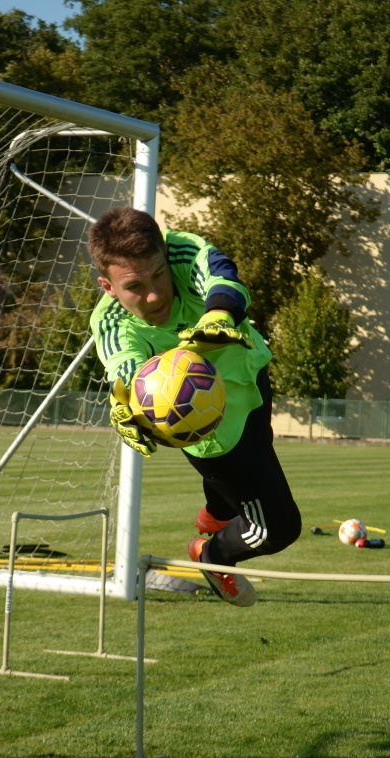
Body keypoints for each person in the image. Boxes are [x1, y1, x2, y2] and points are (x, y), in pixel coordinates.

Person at [88, 207, 301, 607]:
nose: (154, 295)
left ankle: (216, 511)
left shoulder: (181, 251)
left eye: (158, 275)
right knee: (278, 529)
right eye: (134, 286)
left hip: (248, 373)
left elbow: (221, 274)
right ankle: (213, 555)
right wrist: (131, 408)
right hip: (214, 435)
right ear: (107, 286)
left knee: (261, 442)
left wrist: (219, 314)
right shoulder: (114, 326)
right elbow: (126, 372)